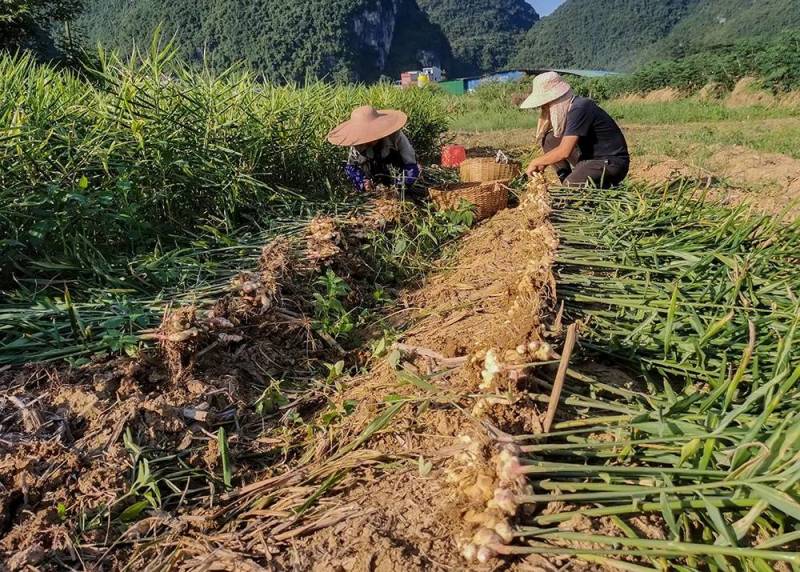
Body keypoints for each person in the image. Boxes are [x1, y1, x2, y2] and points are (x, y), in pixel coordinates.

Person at [520, 72, 629, 188]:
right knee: (550, 139)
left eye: (546, 105)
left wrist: (537, 161)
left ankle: (570, 186)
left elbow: (564, 151)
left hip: (610, 163)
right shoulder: (572, 109)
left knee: (570, 185)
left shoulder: (580, 108)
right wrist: (545, 162)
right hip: (587, 159)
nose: (545, 109)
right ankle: (567, 180)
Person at [327, 105, 421, 192]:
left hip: (397, 175)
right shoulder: (358, 144)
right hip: (374, 180)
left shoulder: (396, 137)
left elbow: (411, 165)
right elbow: (351, 168)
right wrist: (363, 183)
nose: (367, 140)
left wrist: (401, 185)